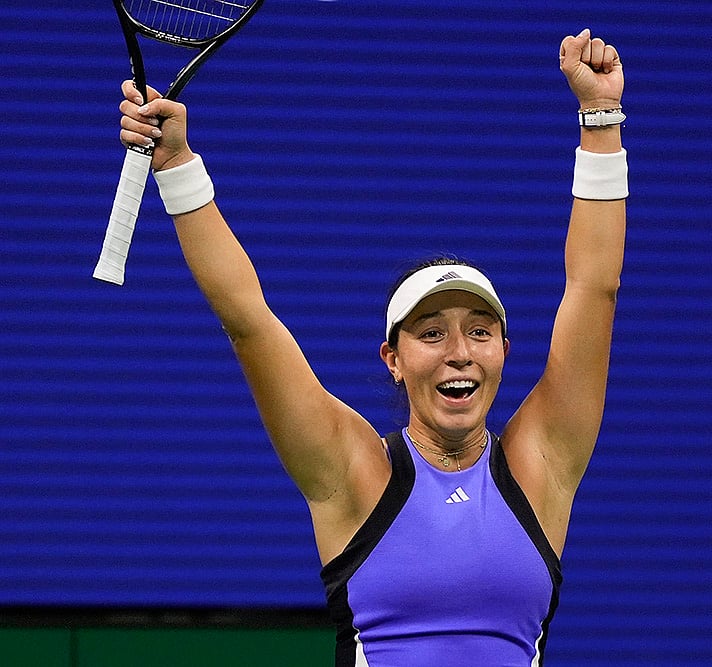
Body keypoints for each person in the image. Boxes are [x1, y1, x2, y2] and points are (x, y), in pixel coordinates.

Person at [117, 27, 627, 666]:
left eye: (478, 330)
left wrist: (601, 119)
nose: (459, 352)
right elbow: (248, 318)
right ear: (393, 359)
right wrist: (176, 166)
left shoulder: (542, 463)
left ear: (503, 350)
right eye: (431, 333)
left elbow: (594, 289)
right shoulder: (351, 472)